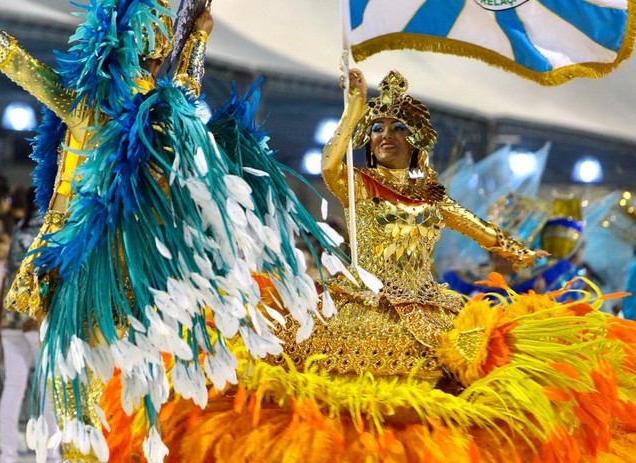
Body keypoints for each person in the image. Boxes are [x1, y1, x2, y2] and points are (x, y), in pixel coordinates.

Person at [100, 69, 636, 462]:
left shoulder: (432, 195)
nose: (383, 136)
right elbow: (330, 163)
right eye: (376, 130)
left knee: (467, 373)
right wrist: (353, 110)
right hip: (355, 297)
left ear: (417, 141)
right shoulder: (357, 187)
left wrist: (517, 250)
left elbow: (479, 229)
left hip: (426, 307)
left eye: (395, 129)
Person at [0, 1, 343, 462]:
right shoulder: (89, 104)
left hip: (139, 260)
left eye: (158, 49)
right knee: (79, 377)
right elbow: (20, 65)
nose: (152, 57)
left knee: (120, 380)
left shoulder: (159, 111)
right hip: (78, 256)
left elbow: (184, 97)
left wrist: (196, 39)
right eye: (146, 46)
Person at [0, 187, 60, 463]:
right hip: (34, 319)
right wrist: (37, 315)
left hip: (9, 318)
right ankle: (51, 453)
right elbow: (47, 277)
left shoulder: (18, 229)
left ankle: (8, 455)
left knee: (13, 387)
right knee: (46, 390)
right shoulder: (48, 229)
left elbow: (8, 278)